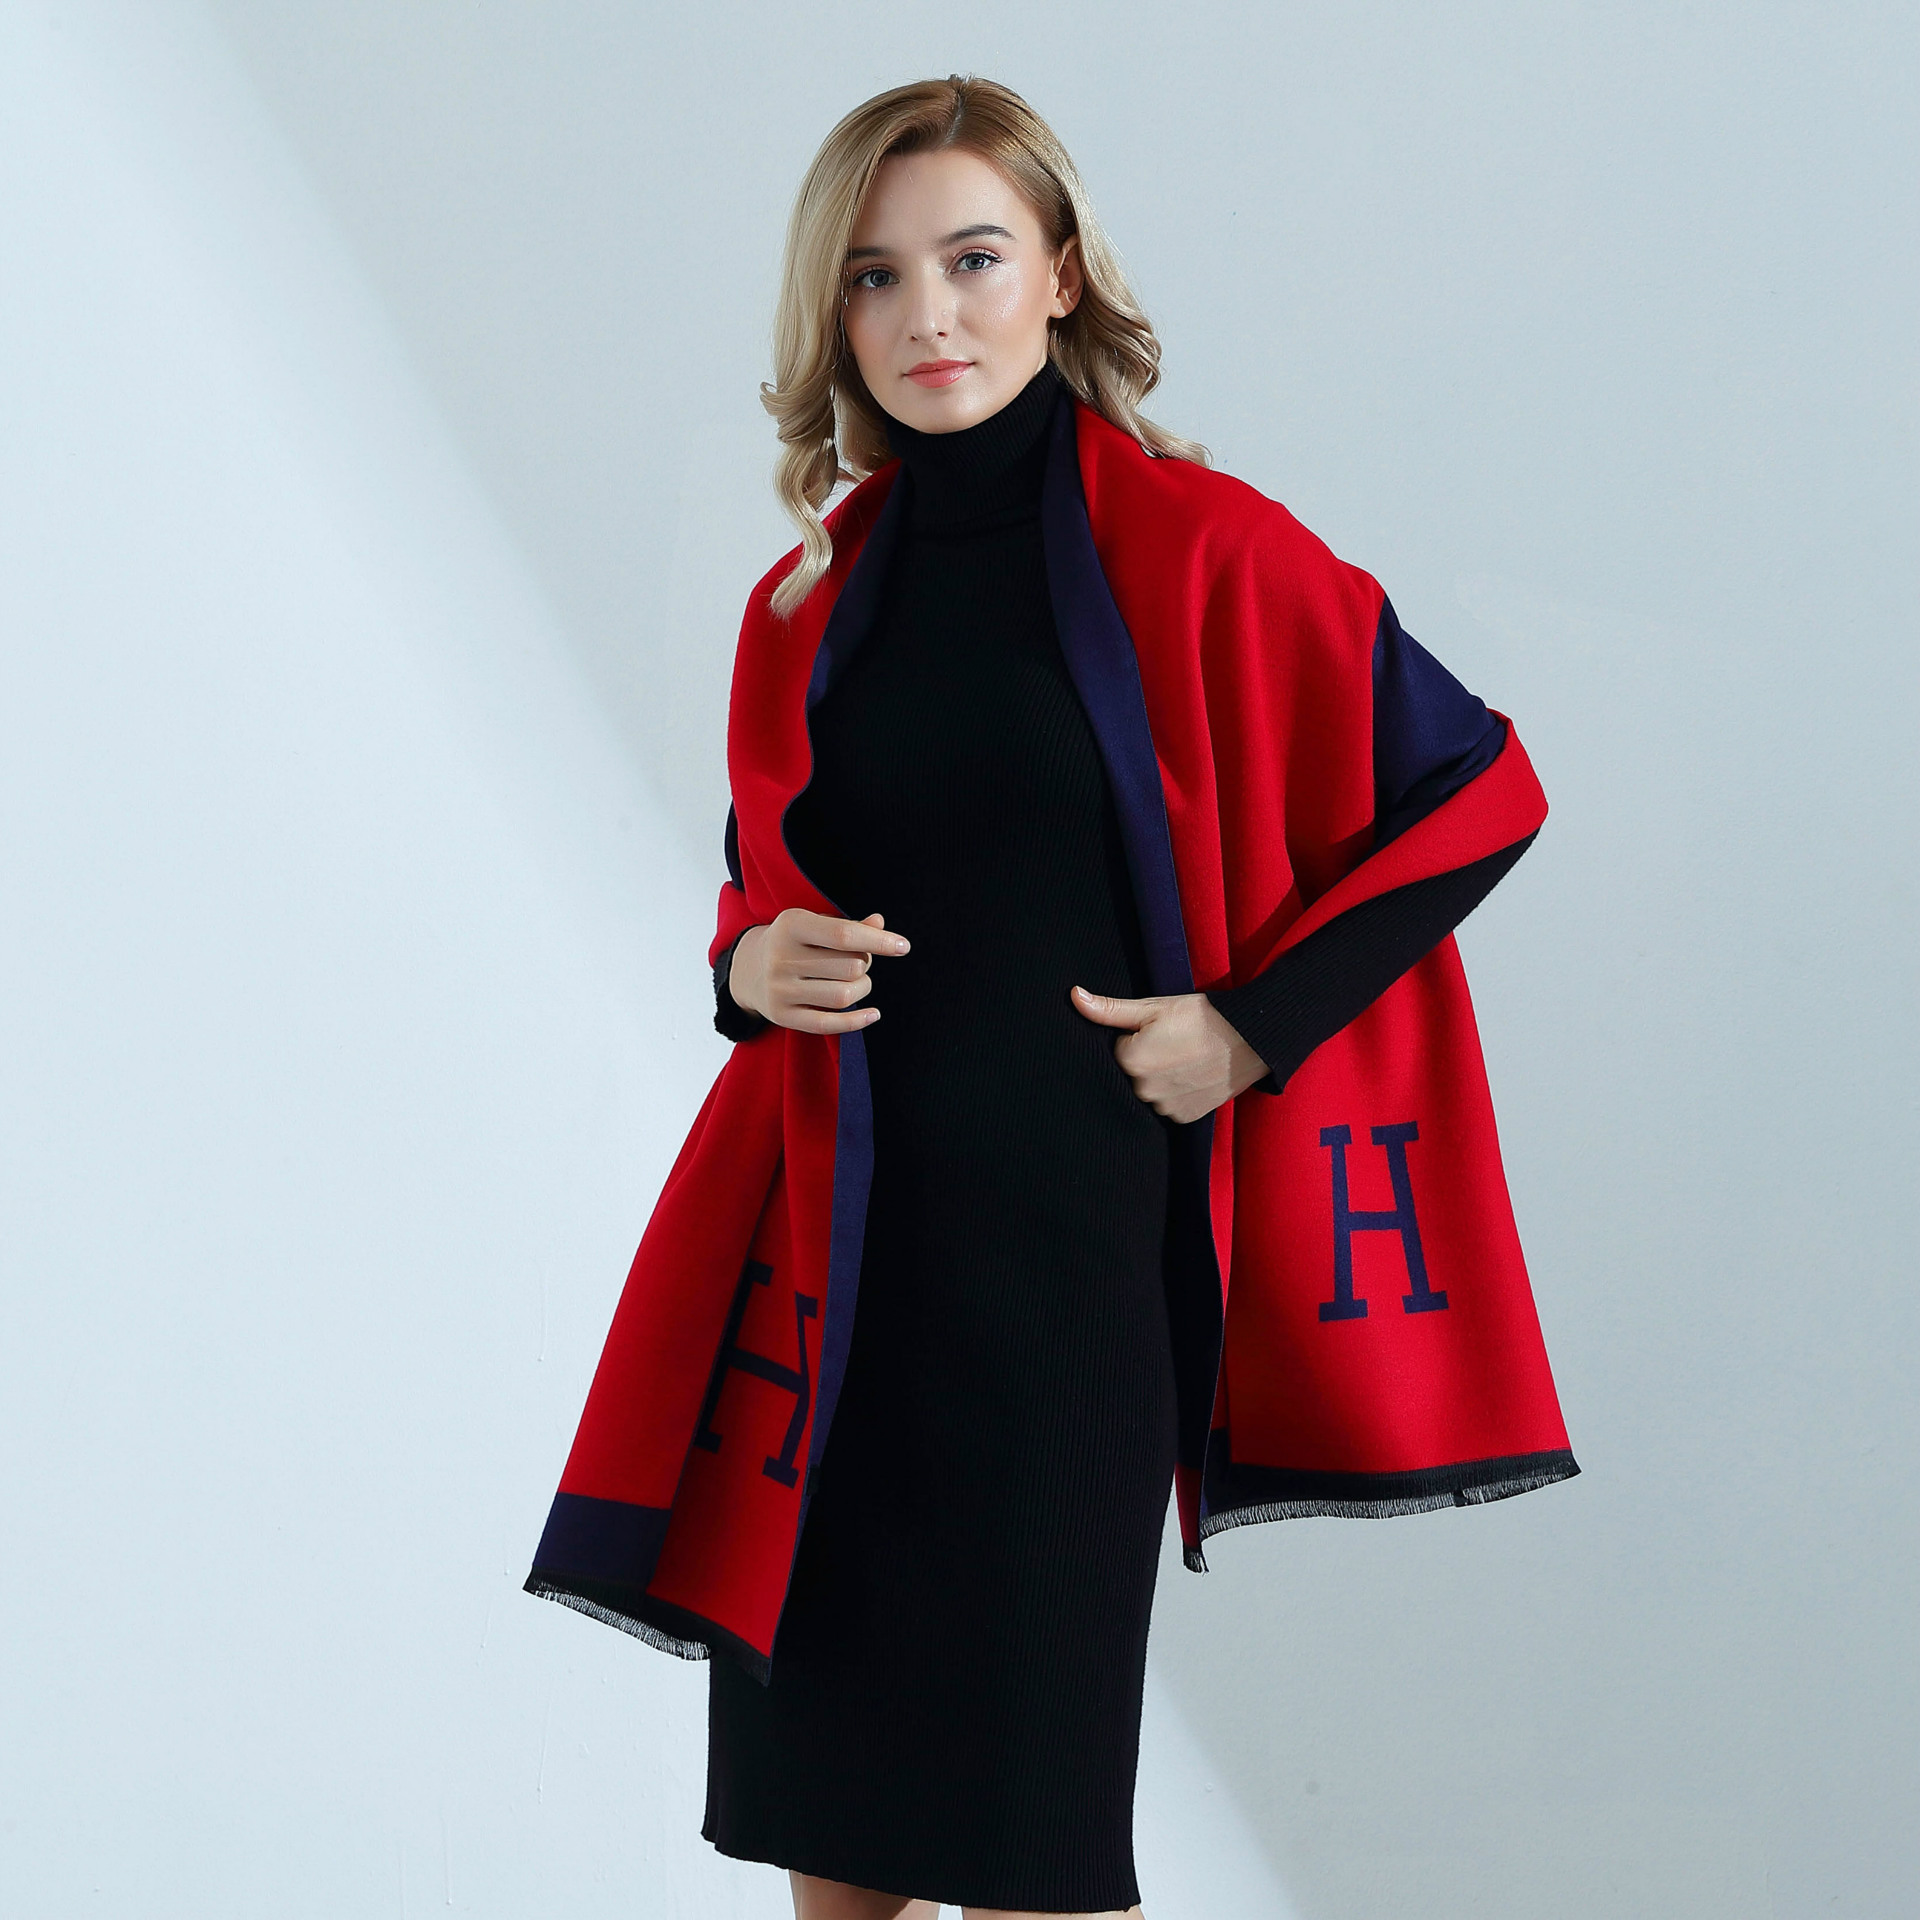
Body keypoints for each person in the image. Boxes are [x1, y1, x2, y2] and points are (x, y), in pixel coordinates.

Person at [525, 74, 1576, 1920]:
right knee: (831, 1856)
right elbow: (763, 884)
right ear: (832, 310)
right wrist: (744, 967)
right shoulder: (808, 599)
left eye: (974, 259)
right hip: (838, 1279)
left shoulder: (1208, 547)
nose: (926, 315)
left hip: (1068, 1285)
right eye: (874, 276)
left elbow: (1480, 792)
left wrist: (1249, 1029)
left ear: (1064, 276)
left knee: (1033, 1857)